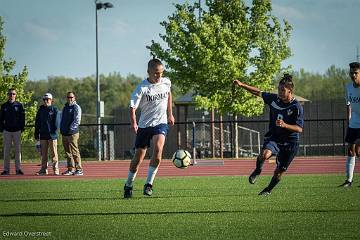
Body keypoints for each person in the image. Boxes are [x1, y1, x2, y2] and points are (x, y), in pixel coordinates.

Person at [233, 74, 304, 196]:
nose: (280, 92)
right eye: (279, 89)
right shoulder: (274, 99)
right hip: (275, 138)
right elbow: (258, 92)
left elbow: (299, 129)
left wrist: (285, 125)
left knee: (279, 171)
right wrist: (242, 85)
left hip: (291, 142)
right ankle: (257, 170)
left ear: (290, 91)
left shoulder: (296, 106)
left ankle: (268, 190)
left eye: (283, 90)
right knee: (265, 154)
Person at [123, 58, 175, 198]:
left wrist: (170, 114)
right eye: (156, 73)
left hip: (161, 123)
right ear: (149, 72)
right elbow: (132, 107)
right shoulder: (142, 88)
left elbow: (169, 94)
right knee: (138, 157)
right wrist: (134, 123)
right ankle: (128, 184)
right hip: (145, 125)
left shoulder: (166, 82)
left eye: (161, 73)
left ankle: (149, 184)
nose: (159, 76)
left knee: (158, 150)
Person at [339, 62, 360, 187]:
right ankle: (349, 180)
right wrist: (349, 120)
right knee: (351, 151)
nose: (353, 75)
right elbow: (348, 105)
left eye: (356, 73)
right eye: (351, 73)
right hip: (354, 124)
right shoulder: (348, 87)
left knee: (358, 147)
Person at [0, 88, 25, 175]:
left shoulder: (19, 105)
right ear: (8, 95)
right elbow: (1, 119)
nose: (11, 95)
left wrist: (21, 128)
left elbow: (22, 118)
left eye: (13, 94)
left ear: (16, 95)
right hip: (7, 131)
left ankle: (18, 169)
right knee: (6, 151)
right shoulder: (4, 106)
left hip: (17, 131)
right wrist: (2, 128)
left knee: (18, 151)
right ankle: (6, 170)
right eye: (10, 94)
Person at [34, 93, 59, 175]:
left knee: (54, 154)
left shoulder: (54, 109)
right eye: (44, 99)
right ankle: (43, 169)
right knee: (43, 154)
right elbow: (37, 123)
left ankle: (56, 170)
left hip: (52, 136)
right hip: (43, 135)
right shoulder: (40, 110)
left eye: (47, 99)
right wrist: (36, 134)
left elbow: (57, 123)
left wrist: (54, 132)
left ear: (51, 100)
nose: (46, 101)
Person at [60, 91, 83, 176]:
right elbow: (61, 118)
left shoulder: (76, 107)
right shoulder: (65, 107)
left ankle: (79, 169)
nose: (70, 99)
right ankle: (70, 169)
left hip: (72, 133)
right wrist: (62, 128)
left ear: (74, 98)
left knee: (74, 151)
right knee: (67, 152)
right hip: (64, 133)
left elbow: (77, 120)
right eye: (68, 97)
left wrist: (70, 129)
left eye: (71, 97)